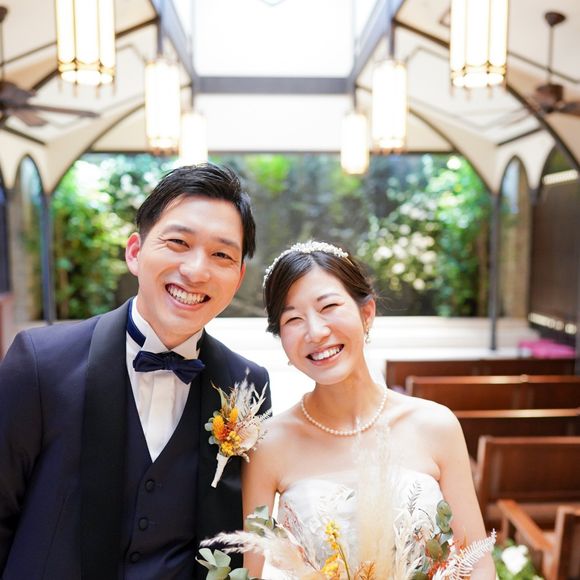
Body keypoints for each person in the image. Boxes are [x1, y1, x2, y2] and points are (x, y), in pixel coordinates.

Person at [0, 163, 271, 580]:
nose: (196, 270)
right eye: (178, 242)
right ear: (135, 252)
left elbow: (240, 537)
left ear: (237, 279)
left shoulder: (248, 385)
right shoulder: (39, 363)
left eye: (221, 255)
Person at [241, 240, 494, 578]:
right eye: (294, 319)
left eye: (329, 306)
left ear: (367, 313)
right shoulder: (267, 444)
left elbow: (478, 562)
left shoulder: (436, 425)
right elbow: (249, 571)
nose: (316, 332)